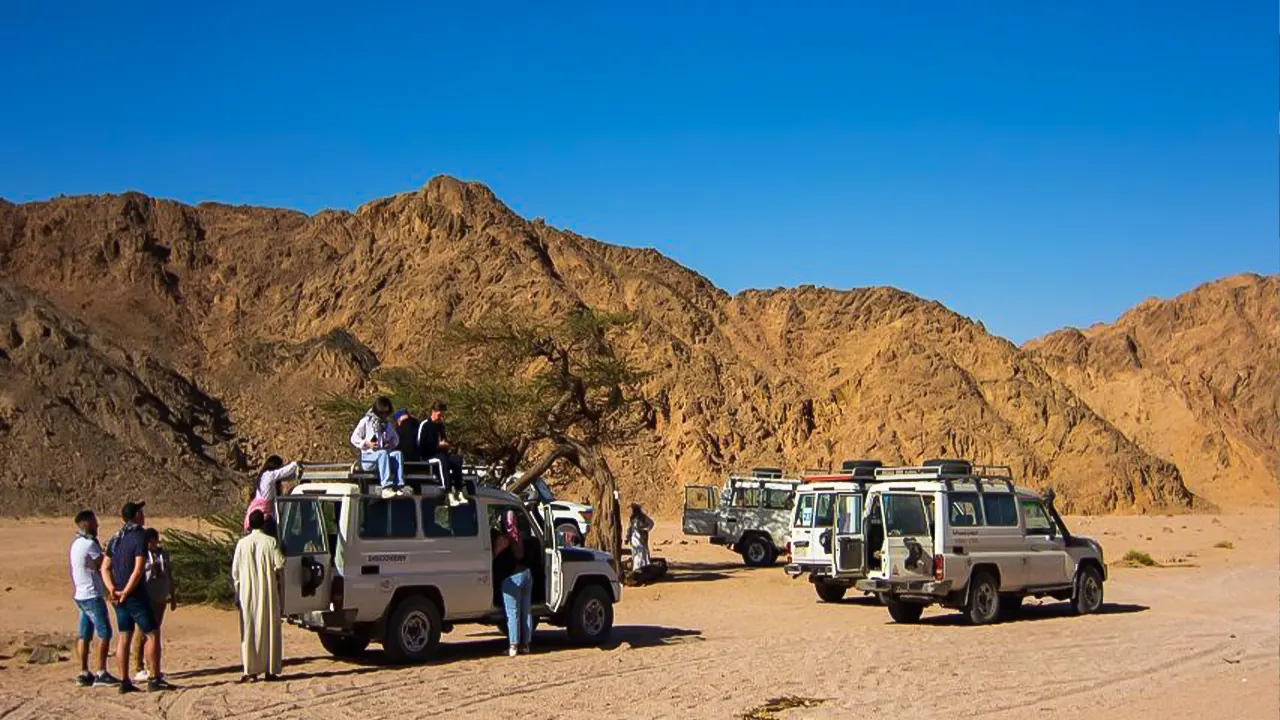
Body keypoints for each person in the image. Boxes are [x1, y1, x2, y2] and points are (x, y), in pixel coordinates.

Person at [102, 502, 172, 693]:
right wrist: (126, 590)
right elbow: (139, 567)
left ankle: (124, 681)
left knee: (124, 635)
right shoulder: (139, 536)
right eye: (141, 512)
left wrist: (113, 589)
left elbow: (105, 567)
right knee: (152, 633)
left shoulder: (116, 537)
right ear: (136, 515)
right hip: (134, 595)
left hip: (118, 596)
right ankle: (154, 677)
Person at [232, 510, 285, 683]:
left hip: (247, 592)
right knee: (269, 628)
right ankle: (270, 670)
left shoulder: (242, 544)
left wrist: (237, 592)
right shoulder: (271, 542)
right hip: (267, 591)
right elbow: (280, 564)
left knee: (249, 629)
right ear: (263, 524)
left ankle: (250, 671)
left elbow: (235, 572)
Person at [69, 510, 119, 688]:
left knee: (84, 634)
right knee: (105, 633)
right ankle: (101, 672)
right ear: (86, 524)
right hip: (91, 595)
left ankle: (83, 672)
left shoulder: (76, 543)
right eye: (94, 522)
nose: (97, 525)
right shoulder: (90, 545)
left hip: (80, 595)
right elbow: (103, 565)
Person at [131, 528, 175, 683]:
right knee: (141, 632)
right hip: (146, 598)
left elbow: (170, 575)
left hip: (160, 597)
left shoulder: (164, 555)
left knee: (154, 632)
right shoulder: (142, 556)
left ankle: (152, 666)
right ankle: (138, 666)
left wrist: (173, 595)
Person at [492, 511, 532, 657]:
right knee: (525, 611)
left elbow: (493, 557)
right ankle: (525, 645)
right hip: (526, 574)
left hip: (511, 578)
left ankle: (513, 646)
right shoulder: (519, 535)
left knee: (512, 612)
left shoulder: (502, 538)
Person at [350, 396, 405, 498]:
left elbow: (395, 439)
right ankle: (386, 487)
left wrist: (390, 444)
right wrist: (367, 444)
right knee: (382, 454)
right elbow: (354, 438)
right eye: (382, 413)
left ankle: (399, 486)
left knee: (397, 454)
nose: (384, 415)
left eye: (386, 413)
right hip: (368, 459)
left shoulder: (386, 424)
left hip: (382, 457)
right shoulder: (366, 421)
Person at [419, 401, 466, 506]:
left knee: (457, 460)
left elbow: (444, 440)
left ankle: (459, 490)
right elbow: (420, 445)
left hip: (441, 453)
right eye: (440, 415)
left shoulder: (440, 426)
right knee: (441, 460)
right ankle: (448, 491)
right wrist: (437, 445)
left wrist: (447, 444)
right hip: (428, 455)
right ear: (433, 412)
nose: (441, 418)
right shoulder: (425, 425)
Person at [244, 455, 300, 535]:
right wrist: (295, 464)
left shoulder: (266, 477)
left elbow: (285, 476)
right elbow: (283, 472)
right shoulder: (268, 476)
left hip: (264, 516)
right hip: (261, 518)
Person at [628, 503, 654, 574]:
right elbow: (630, 528)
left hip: (642, 538)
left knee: (643, 553)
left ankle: (644, 570)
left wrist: (646, 529)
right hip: (634, 539)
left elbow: (651, 523)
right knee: (636, 554)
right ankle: (636, 571)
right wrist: (628, 537)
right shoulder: (632, 518)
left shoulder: (643, 517)